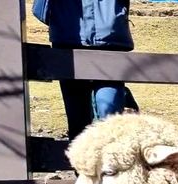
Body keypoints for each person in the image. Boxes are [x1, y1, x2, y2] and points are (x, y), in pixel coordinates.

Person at [32, 0, 136, 140]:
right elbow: (40, 9)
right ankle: (82, 160)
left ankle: (122, 98)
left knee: (107, 112)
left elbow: (40, 11)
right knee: (79, 119)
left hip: (100, 35)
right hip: (74, 36)